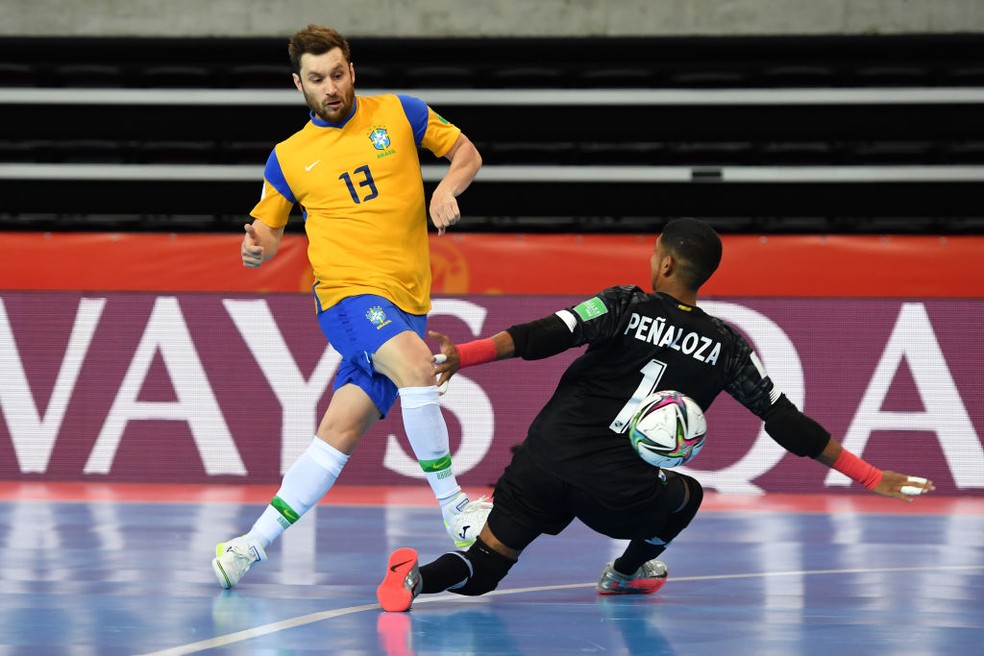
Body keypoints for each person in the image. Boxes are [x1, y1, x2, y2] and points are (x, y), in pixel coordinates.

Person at [375, 217, 936, 612]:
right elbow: (785, 421)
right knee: (686, 495)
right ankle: (623, 574)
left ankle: (418, 578)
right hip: (618, 494)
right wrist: (870, 476)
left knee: (485, 570)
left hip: (542, 460)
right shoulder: (727, 347)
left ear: (665, 262)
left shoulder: (624, 304)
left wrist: (461, 357)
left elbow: (545, 334)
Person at [212, 24, 489, 589]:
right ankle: (455, 507)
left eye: (338, 73)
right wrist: (257, 246)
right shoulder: (289, 158)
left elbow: (466, 152)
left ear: (352, 71)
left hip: (407, 302)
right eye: (317, 79)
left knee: (338, 432)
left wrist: (446, 188)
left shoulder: (400, 114)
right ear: (299, 84)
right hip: (347, 297)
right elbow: (266, 229)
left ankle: (246, 545)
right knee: (418, 368)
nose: (330, 87)